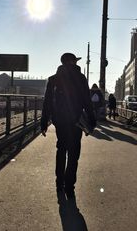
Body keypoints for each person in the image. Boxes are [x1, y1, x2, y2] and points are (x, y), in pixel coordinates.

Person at [41, 53, 96, 200]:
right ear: (72, 62)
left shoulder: (53, 79)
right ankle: (69, 186)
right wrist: (92, 120)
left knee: (61, 150)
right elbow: (87, 102)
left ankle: (59, 184)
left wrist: (43, 122)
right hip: (75, 121)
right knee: (73, 154)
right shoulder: (81, 78)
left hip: (59, 120)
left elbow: (47, 102)